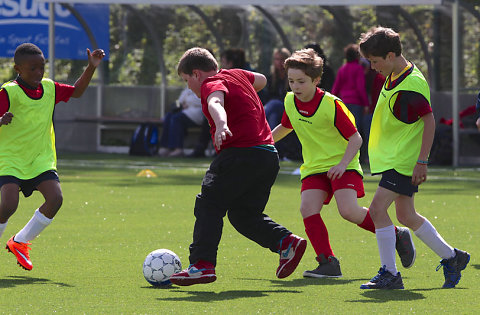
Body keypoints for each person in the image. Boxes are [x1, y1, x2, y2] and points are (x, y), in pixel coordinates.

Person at [271, 48, 415, 278]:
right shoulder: (290, 101)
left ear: (317, 80)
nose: (295, 87)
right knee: (307, 209)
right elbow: (286, 126)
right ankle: (328, 263)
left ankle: (395, 233)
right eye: (291, 81)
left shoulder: (331, 104)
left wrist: (342, 164)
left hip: (343, 165)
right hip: (314, 168)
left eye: (301, 81)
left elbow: (356, 138)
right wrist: (263, 141)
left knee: (348, 211)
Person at [169, 47, 307, 286]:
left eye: (186, 80)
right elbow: (262, 80)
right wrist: (242, 94)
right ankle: (286, 242)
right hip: (267, 155)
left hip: (240, 153)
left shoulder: (210, 84)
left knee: (208, 204)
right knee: (243, 215)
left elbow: (215, 102)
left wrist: (222, 124)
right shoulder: (236, 75)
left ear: (196, 73)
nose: (188, 87)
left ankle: (201, 265)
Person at [358, 26, 470, 290]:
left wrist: (422, 161)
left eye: (374, 61)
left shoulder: (411, 83)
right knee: (406, 216)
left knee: (376, 210)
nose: (373, 67)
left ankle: (390, 274)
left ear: (390, 55)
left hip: (404, 161)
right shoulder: (395, 73)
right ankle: (453, 257)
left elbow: (429, 121)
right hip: (397, 157)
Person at [0, 43, 105, 270]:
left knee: (55, 199)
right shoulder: (8, 91)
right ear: (18, 69)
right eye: (33, 69)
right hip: (11, 159)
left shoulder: (49, 88)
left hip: (41, 159)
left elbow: (77, 91)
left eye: (42, 67)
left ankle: (20, 241)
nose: (39, 73)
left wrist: (91, 67)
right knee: (8, 205)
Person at [331, 44, 369, 162]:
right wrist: (366, 103)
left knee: (344, 131)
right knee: (355, 131)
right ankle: (355, 157)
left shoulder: (342, 69)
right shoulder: (358, 69)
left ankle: (342, 156)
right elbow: (360, 88)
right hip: (356, 104)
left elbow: (335, 88)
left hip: (343, 103)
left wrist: (332, 101)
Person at [158, 87, 204, 157]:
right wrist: (181, 105)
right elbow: (179, 101)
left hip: (198, 113)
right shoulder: (188, 87)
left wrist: (187, 102)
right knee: (168, 116)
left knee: (176, 118)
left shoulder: (204, 85)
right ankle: (165, 146)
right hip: (185, 111)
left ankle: (178, 148)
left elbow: (200, 101)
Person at [360, 57, 385, 163]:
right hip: (370, 111)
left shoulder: (378, 78)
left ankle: (371, 157)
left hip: (373, 111)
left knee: (371, 136)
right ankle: (369, 157)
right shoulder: (365, 77)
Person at [263, 48, 291, 129]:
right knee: (273, 116)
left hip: (287, 108)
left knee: (274, 103)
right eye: (277, 59)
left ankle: (257, 117)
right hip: (274, 107)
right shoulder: (271, 78)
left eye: (282, 59)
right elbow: (267, 96)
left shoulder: (292, 77)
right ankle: (271, 141)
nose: (279, 62)